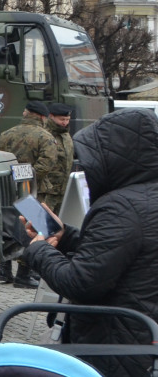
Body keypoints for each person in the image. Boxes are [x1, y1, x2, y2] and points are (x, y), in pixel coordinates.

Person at [23, 107, 158, 377]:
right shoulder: (145, 199)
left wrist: (39, 250)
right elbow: (126, 251)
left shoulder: (121, 206)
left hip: (113, 346)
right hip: (143, 342)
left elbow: (82, 282)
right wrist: (66, 235)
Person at [0, 100, 61, 287]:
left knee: (7, 227)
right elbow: (47, 164)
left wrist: (12, 179)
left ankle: (4, 270)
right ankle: (24, 274)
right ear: (42, 117)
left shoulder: (5, 134)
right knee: (34, 229)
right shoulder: (45, 137)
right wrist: (28, 179)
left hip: (7, 189)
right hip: (33, 191)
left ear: (26, 113)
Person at [46, 102, 75, 186]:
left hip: (64, 186)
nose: (65, 123)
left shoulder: (65, 133)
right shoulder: (44, 133)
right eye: (62, 119)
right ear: (51, 116)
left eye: (67, 120)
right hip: (49, 188)